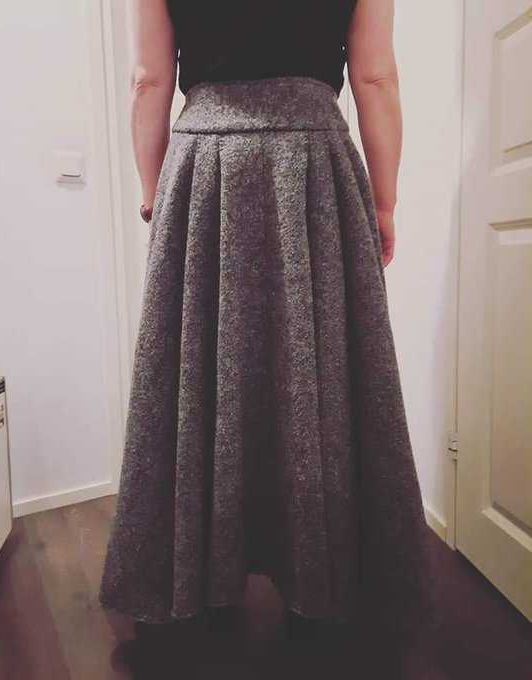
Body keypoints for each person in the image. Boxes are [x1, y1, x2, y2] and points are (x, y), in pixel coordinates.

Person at [98, 0, 440, 661]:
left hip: (203, 164)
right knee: (321, 374)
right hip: (313, 159)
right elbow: (375, 76)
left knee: (198, 374)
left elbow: (148, 77)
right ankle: (320, 589)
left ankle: (205, 588)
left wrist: (152, 191)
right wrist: (385, 201)